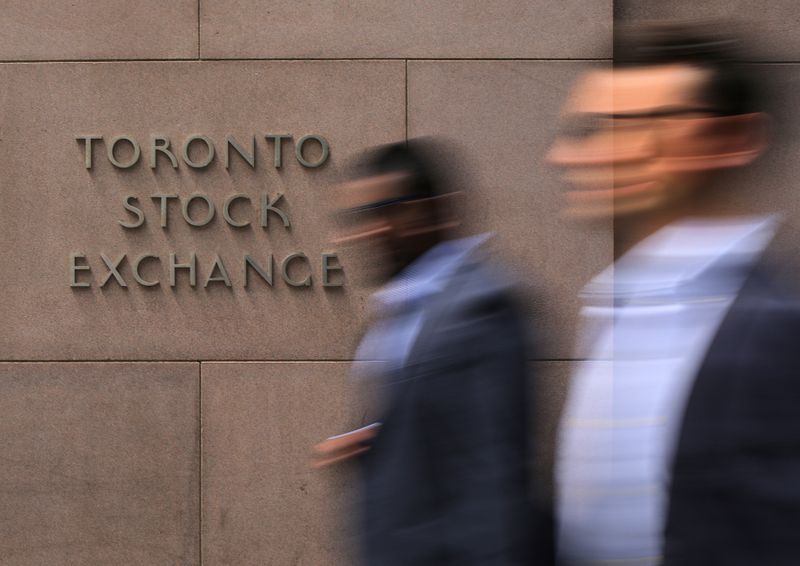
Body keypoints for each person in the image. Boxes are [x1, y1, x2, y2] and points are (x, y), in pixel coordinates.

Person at [548, 22, 800, 566]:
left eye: (607, 127)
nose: (565, 156)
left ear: (728, 140)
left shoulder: (779, 330)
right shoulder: (618, 307)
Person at [314, 140, 537, 565]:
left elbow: (492, 479)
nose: (375, 229)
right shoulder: (406, 305)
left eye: (393, 208)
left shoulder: (480, 309)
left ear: (440, 209)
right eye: (364, 215)